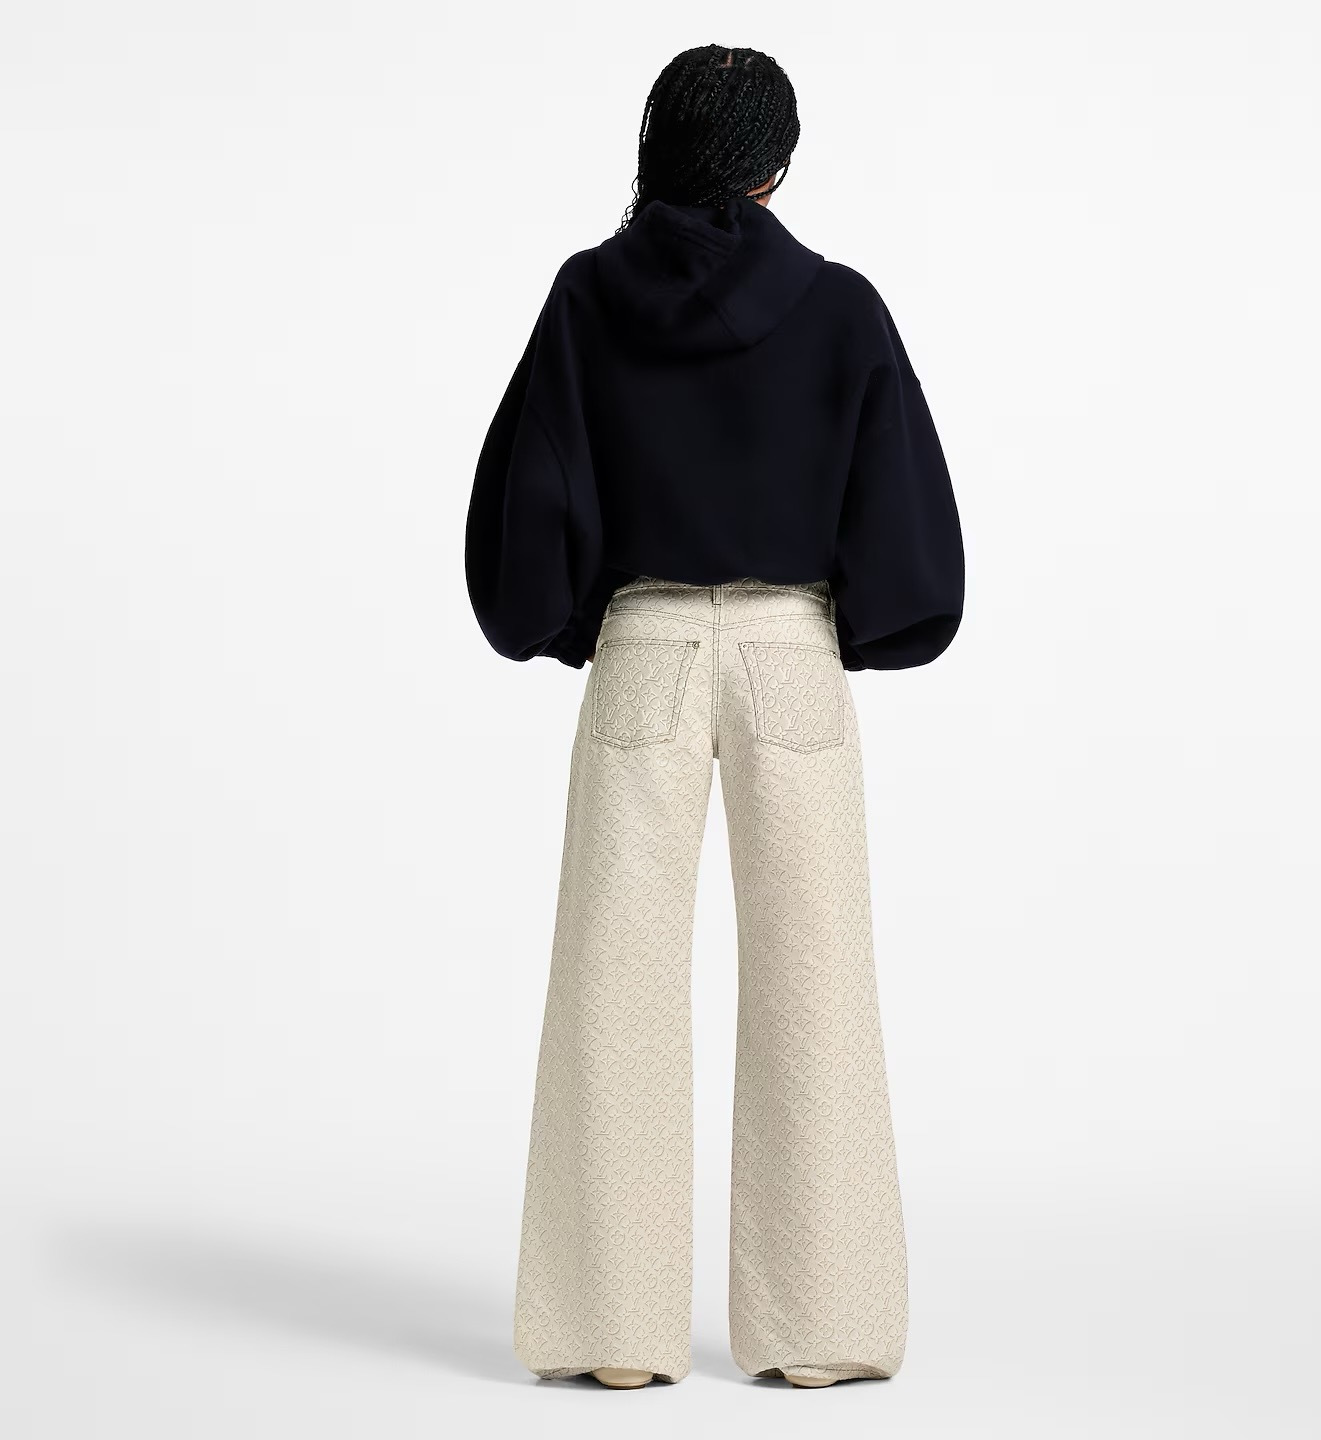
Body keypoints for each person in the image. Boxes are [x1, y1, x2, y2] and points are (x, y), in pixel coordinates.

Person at [464, 43, 964, 1391]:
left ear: (661, 146)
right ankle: (826, 1330)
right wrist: (859, 621)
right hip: (793, 656)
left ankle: (608, 1335)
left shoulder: (588, 297)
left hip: (647, 651)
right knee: (819, 985)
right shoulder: (841, 309)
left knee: (611, 988)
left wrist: (567, 619)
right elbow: (904, 523)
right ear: (776, 165)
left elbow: (531, 496)